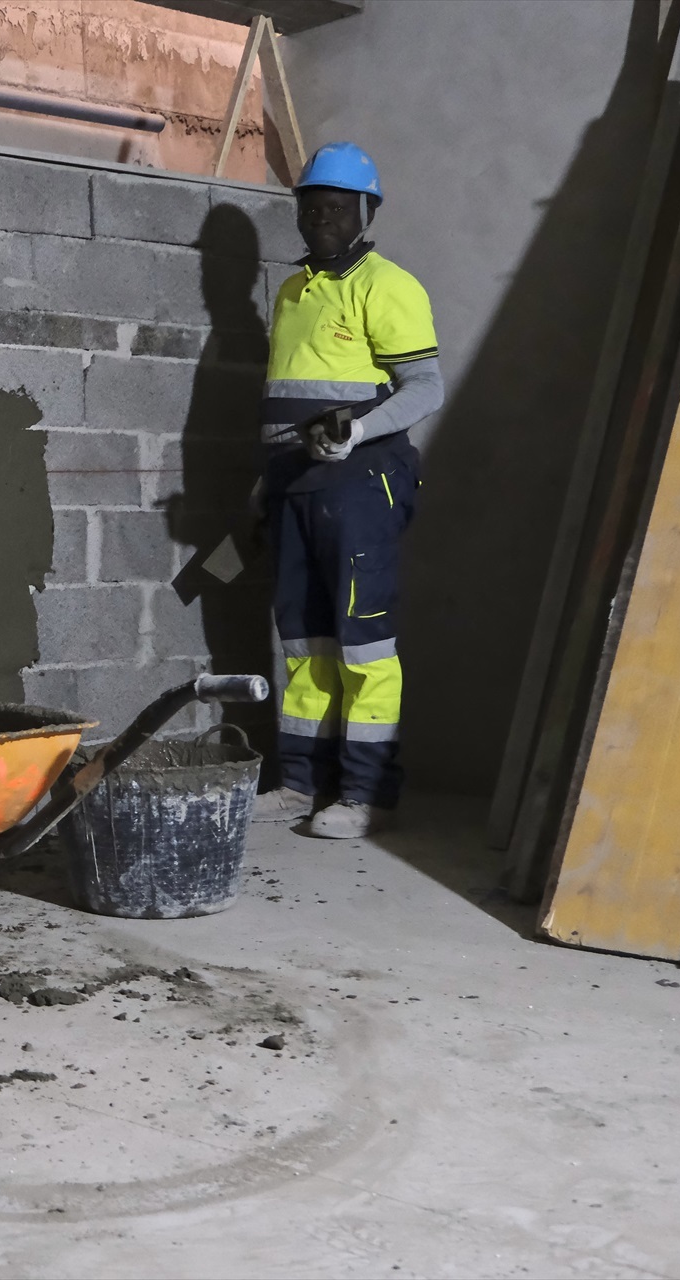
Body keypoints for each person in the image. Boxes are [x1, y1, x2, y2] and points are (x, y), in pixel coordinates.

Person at [249, 143, 444, 839]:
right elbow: (287, 398)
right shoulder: (291, 292)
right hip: (294, 486)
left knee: (364, 646)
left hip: (362, 485)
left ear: (366, 213)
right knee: (306, 644)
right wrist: (264, 481)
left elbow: (425, 386)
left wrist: (356, 432)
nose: (320, 221)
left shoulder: (388, 285)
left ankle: (366, 795)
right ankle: (300, 783)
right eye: (310, 209)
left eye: (335, 209)